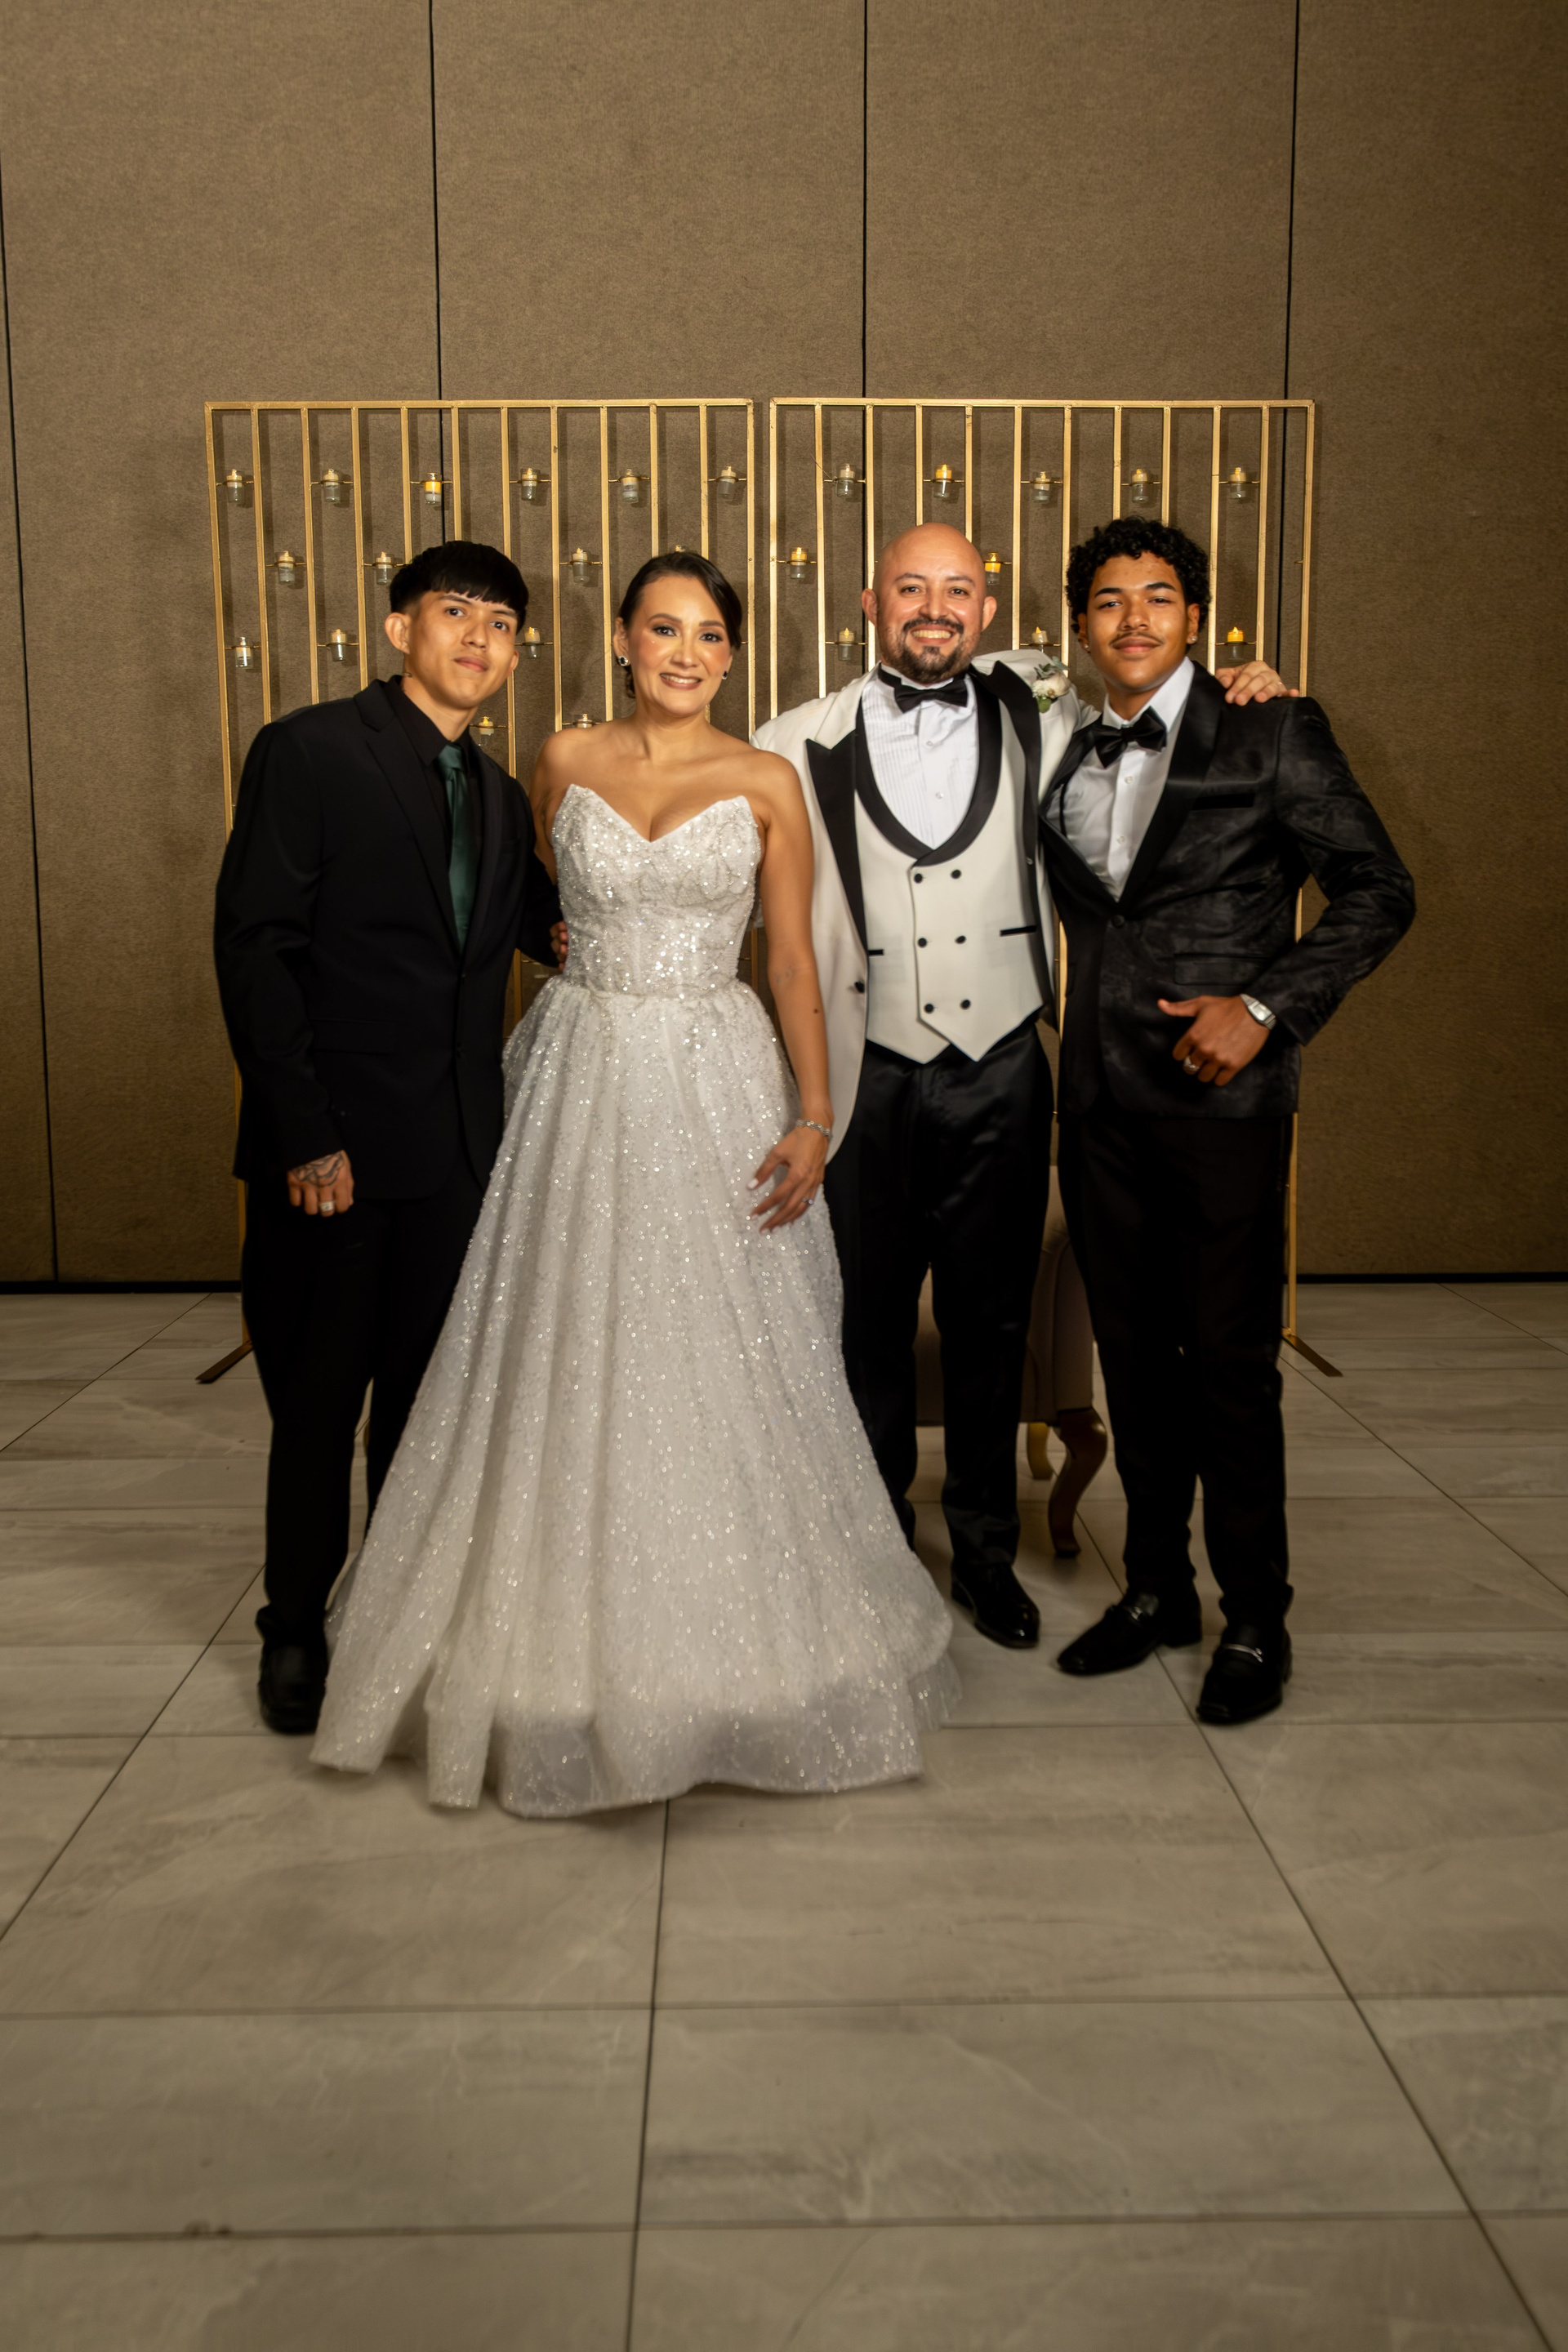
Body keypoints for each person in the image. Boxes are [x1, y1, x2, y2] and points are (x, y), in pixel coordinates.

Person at [311, 551, 957, 1816]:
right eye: (664, 630)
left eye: (710, 636)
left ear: (732, 655)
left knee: (719, 1341)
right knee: (561, 1328)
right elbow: (519, 915)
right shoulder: (558, 760)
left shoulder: (765, 780)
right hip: (579, 1064)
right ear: (622, 639)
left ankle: (733, 1633)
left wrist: (815, 1112)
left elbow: (790, 959)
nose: (686, 654)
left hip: (718, 1073)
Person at [756, 525, 1291, 1650]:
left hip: (1003, 1063)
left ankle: (986, 1553)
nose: (934, 607)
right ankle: (876, 1549)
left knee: (991, 1324)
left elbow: (1160, 703)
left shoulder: (1045, 703)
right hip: (859, 1071)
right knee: (864, 1325)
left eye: (957, 589)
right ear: (869, 601)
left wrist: (1249, 686)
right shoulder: (791, 742)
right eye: (911, 586)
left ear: (988, 611)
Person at [1041, 517, 1415, 1723]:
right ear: (1082, 625)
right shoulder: (1063, 739)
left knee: (1230, 1368)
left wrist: (1266, 1007)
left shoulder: (1272, 726)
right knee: (1135, 1360)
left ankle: (1257, 1616)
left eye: (1159, 597)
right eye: (1109, 600)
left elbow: (1380, 888)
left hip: (1222, 1104)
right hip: (1098, 1101)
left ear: (1196, 618)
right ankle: (1159, 1589)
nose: (1135, 618)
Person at [214, 541, 561, 1737]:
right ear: (400, 626)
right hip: (336, 1160)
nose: (481, 639)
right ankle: (294, 1629)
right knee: (317, 1410)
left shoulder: (500, 795)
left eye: (502, 624)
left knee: (423, 1411)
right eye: (456, 613)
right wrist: (306, 1137)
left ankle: (391, 1615)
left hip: (458, 1156)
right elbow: (256, 950)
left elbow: (537, 924)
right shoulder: (311, 751)